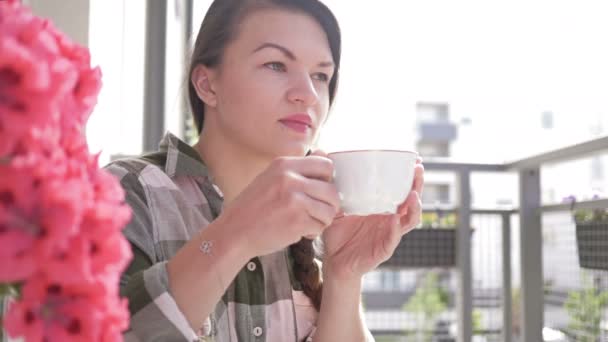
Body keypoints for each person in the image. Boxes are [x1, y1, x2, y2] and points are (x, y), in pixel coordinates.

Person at [106, 0, 424, 341]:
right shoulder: (124, 193)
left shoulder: (316, 229)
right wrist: (237, 233)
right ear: (207, 85)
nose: (308, 94)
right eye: (275, 65)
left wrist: (344, 276)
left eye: (320, 75)